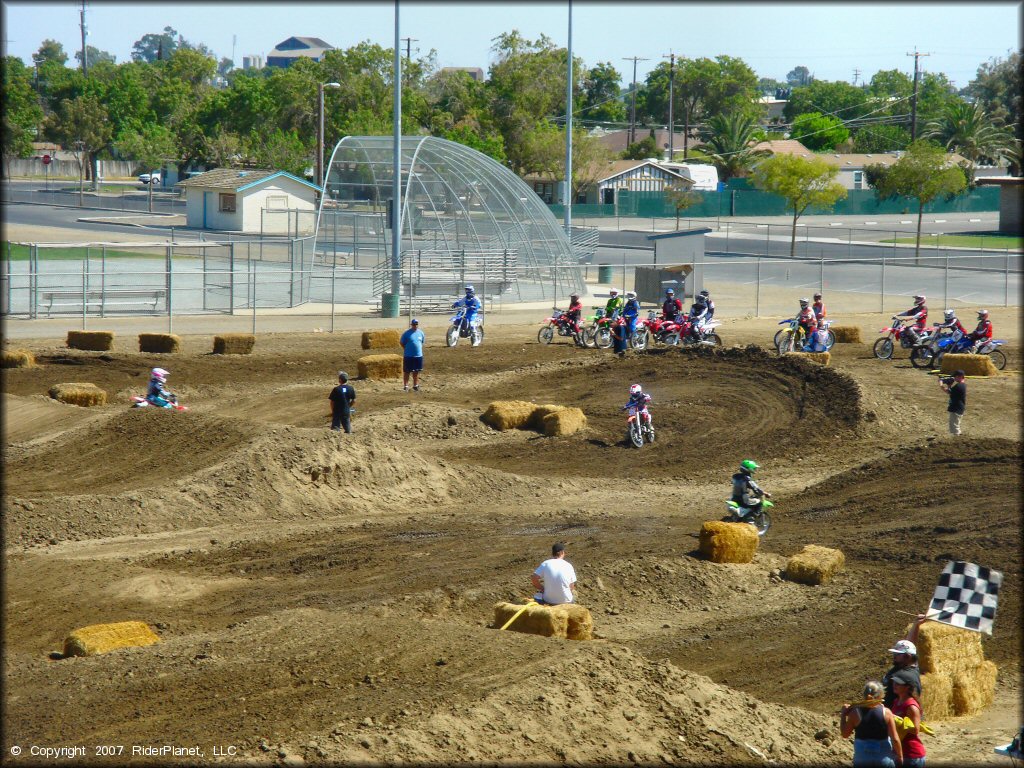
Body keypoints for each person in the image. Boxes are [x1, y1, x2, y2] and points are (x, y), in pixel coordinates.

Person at [840, 680, 904, 768]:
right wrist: (900, 757)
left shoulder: (855, 713)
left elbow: (845, 734)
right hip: (883, 759)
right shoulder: (886, 713)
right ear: (880, 695)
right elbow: (895, 739)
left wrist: (843, 715)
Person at [890, 669, 927, 767]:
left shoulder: (911, 707)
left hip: (911, 754)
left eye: (898, 683)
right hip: (900, 752)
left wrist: (900, 723)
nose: (894, 685)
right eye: (894, 682)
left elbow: (915, 730)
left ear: (907, 687)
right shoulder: (896, 702)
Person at [400, 318, 426, 392]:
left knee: (416, 371)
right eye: (414, 324)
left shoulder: (421, 333)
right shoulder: (406, 333)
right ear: (411, 325)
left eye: (416, 324)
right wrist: (407, 349)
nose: (415, 326)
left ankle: (415, 385)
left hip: (418, 356)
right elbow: (401, 343)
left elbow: (422, 342)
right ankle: (406, 386)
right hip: (408, 356)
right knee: (407, 372)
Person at [940, 369, 966, 436]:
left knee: (955, 428)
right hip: (958, 408)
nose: (954, 378)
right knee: (955, 426)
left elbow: (948, 392)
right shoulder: (962, 385)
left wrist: (941, 383)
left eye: (955, 376)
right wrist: (949, 385)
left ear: (960, 376)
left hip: (956, 409)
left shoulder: (959, 386)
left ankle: (957, 441)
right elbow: (951, 392)